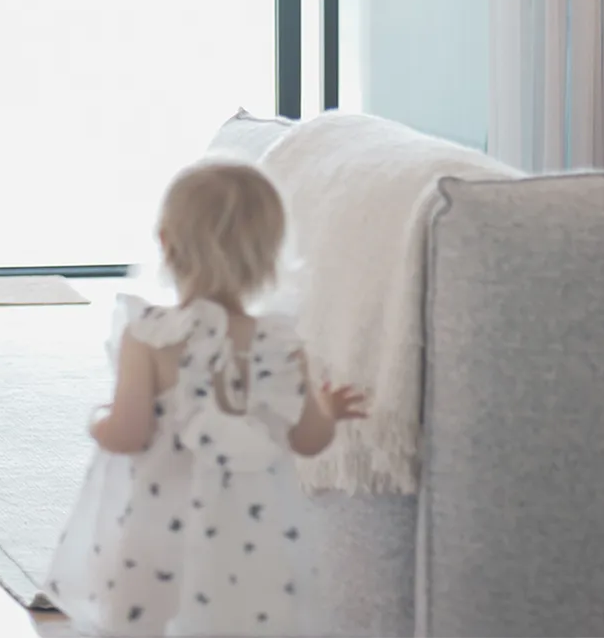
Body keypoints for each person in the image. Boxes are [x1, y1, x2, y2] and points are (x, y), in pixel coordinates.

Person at [44, 162, 368, 637]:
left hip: (159, 534)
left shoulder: (151, 335)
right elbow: (308, 441)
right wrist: (330, 411)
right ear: (268, 257)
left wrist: (99, 422)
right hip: (258, 535)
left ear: (166, 244)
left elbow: (128, 434)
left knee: (148, 617)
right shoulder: (281, 343)